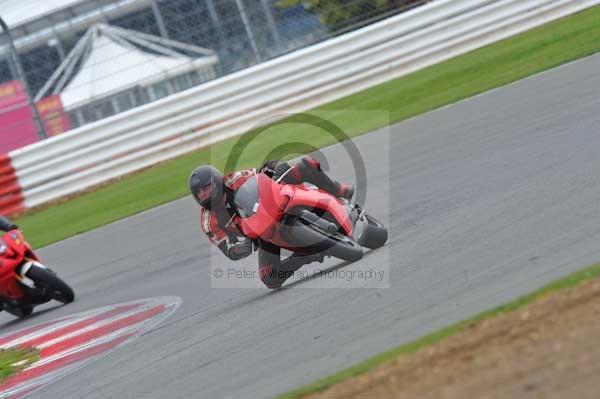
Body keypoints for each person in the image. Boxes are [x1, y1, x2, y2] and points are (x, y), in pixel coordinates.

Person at [189, 156, 354, 289]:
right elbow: (229, 250)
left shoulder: (235, 180)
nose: (203, 194)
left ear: (217, 182)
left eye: (206, 188)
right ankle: (308, 254)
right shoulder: (208, 222)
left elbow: (262, 173)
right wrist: (244, 247)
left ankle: (338, 190)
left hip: (275, 203)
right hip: (262, 234)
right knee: (269, 277)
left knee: (303, 165)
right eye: (199, 193)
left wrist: (275, 170)